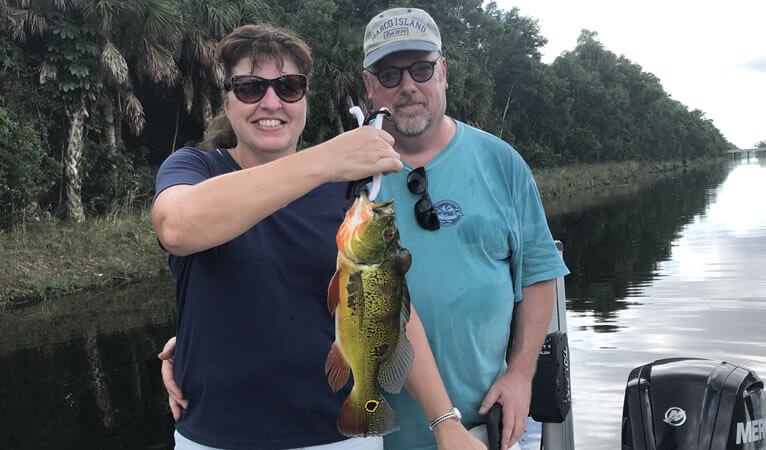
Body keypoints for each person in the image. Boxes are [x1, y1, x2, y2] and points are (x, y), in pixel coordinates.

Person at [152, 23, 485, 450]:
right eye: (251, 87)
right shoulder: (194, 170)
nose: (270, 102)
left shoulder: (344, 190)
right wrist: (326, 159)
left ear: (304, 98)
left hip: (341, 435)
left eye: (289, 86)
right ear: (227, 100)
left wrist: (445, 422)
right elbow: (177, 227)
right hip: (216, 437)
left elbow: (390, 306)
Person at [357, 7, 570, 450]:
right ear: (369, 86)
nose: (408, 86)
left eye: (420, 68)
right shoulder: (344, 173)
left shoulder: (502, 162)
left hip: (491, 428)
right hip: (378, 436)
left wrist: (521, 373)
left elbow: (538, 271)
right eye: (390, 75)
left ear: (443, 72)